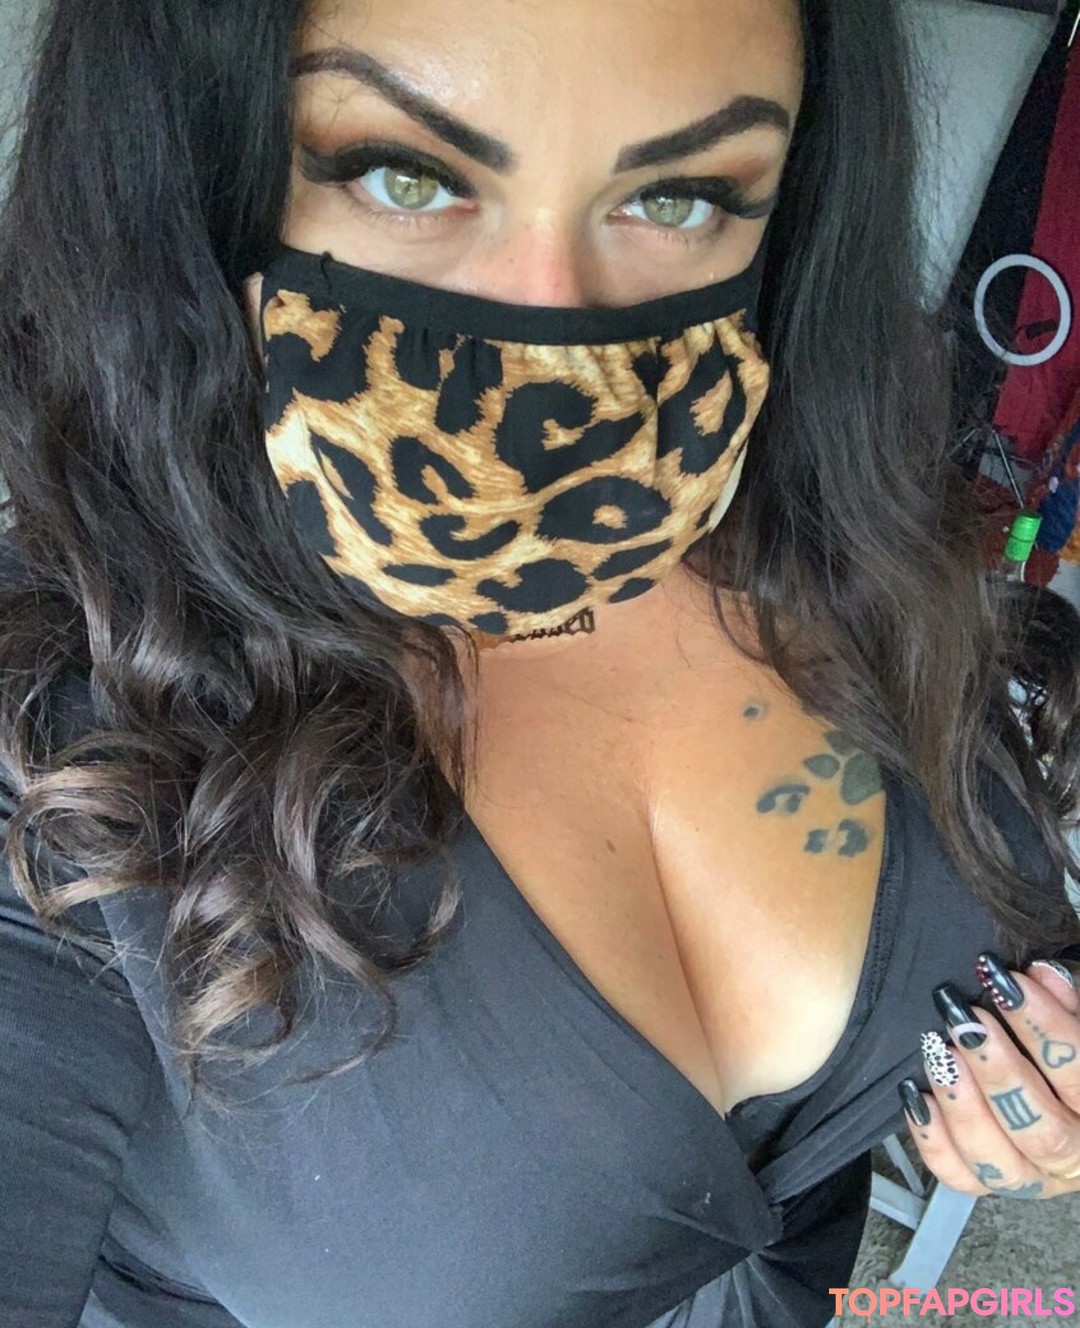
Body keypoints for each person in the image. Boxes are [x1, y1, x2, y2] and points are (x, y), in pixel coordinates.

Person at [1, 0, 1079, 1324]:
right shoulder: (51, 735)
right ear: (195, 168)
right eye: (406, 175)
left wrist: (1046, 1055)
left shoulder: (815, 507)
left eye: (679, 196)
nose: (554, 351)